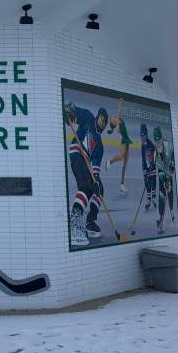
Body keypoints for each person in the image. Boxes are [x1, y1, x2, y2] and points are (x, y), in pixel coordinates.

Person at [65, 102, 108, 246]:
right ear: (98, 117)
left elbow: (95, 167)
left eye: (105, 121)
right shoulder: (89, 117)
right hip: (77, 154)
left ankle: (90, 222)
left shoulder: (100, 146)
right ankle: (74, 223)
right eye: (102, 118)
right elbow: (74, 112)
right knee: (84, 186)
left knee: (98, 189)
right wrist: (70, 114)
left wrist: (96, 179)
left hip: (87, 163)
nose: (103, 122)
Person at [105, 98, 133, 195]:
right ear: (113, 122)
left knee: (125, 164)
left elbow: (119, 113)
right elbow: (119, 112)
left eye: (113, 118)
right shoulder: (118, 124)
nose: (113, 118)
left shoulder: (119, 121)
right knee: (121, 157)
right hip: (124, 141)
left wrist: (120, 104)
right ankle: (110, 162)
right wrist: (120, 103)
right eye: (112, 119)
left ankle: (122, 184)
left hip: (127, 141)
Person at [152, 126, 176, 233]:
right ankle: (161, 217)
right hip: (162, 174)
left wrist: (169, 175)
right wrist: (164, 180)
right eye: (155, 141)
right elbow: (158, 167)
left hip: (169, 172)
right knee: (161, 194)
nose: (157, 143)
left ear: (161, 139)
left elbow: (172, 162)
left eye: (158, 141)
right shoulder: (155, 151)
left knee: (169, 191)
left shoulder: (169, 147)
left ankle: (171, 210)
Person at [140, 124, 157, 210]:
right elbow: (143, 158)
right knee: (147, 184)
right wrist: (144, 169)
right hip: (146, 169)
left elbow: (153, 156)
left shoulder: (150, 144)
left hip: (152, 168)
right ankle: (148, 200)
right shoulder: (142, 145)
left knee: (152, 183)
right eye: (141, 136)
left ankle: (153, 198)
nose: (142, 137)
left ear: (146, 135)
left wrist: (152, 165)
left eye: (144, 135)